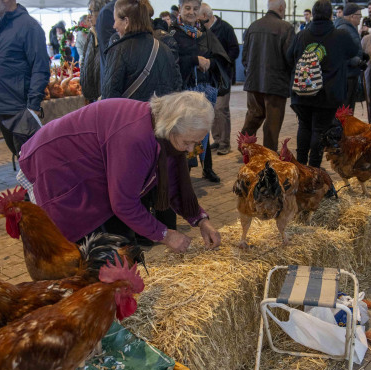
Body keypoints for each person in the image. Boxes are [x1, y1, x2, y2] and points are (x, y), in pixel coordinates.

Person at [18, 91, 222, 253]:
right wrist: (165, 235)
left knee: (119, 247)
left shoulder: (162, 131)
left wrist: (201, 220)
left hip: (81, 166)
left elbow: (173, 181)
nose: (189, 150)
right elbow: (124, 203)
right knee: (86, 252)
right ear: (170, 127)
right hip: (56, 167)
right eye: (187, 142)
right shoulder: (136, 138)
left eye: (195, 143)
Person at [0, 0, 50, 162]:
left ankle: (39, 188)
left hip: (20, 108)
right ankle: (30, 186)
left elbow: (40, 67)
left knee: (32, 161)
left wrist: (33, 105)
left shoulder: (29, 26)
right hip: (0, 107)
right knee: (22, 159)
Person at [169, 0, 230, 183]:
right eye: (187, 8)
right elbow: (172, 62)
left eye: (195, 9)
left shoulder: (204, 33)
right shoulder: (172, 34)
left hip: (205, 90)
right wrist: (195, 60)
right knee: (185, 133)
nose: (191, 12)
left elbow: (220, 56)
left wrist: (211, 63)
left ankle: (207, 167)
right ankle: (183, 173)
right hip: (184, 91)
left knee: (203, 130)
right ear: (180, 9)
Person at [288, 0, 354, 168]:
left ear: (314, 14)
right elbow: (354, 52)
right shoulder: (341, 36)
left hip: (302, 92)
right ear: (331, 15)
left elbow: (289, 57)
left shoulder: (301, 35)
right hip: (327, 94)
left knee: (304, 126)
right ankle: (314, 168)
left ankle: (300, 166)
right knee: (319, 129)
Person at [241, 0, 295, 152]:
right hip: (275, 85)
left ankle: (244, 147)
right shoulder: (286, 28)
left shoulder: (253, 26)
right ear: (280, 8)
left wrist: (252, 71)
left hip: (253, 82)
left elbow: (244, 57)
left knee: (253, 117)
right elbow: (290, 58)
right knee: (273, 123)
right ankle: (269, 153)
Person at [102, 0, 182, 100]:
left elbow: (109, 98)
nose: (114, 26)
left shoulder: (117, 51)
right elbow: (176, 87)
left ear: (126, 21)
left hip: (131, 115)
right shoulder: (165, 48)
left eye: (115, 20)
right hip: (161, 113)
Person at [200, 3, 239, 155]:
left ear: (205, 16)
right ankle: (216, 140)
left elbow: (234, 49)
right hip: (208, 76)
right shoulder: (201, 30)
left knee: (222, 110)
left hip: (222, 76)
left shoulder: (226, 28)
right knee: (212, 109)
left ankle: (225, 143)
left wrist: (223, 62)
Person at [337, 4, 365, 115]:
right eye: (359, 15)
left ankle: (345, 130)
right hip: (346, 75)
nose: (361, 18)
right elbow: (340, 53)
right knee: (345, 109)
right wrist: (356, 61)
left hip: (351, 74)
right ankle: (342, 131)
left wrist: (362, 55)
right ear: (352, 16)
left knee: (348, 109)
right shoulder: (344, 29)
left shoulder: (350, 29)